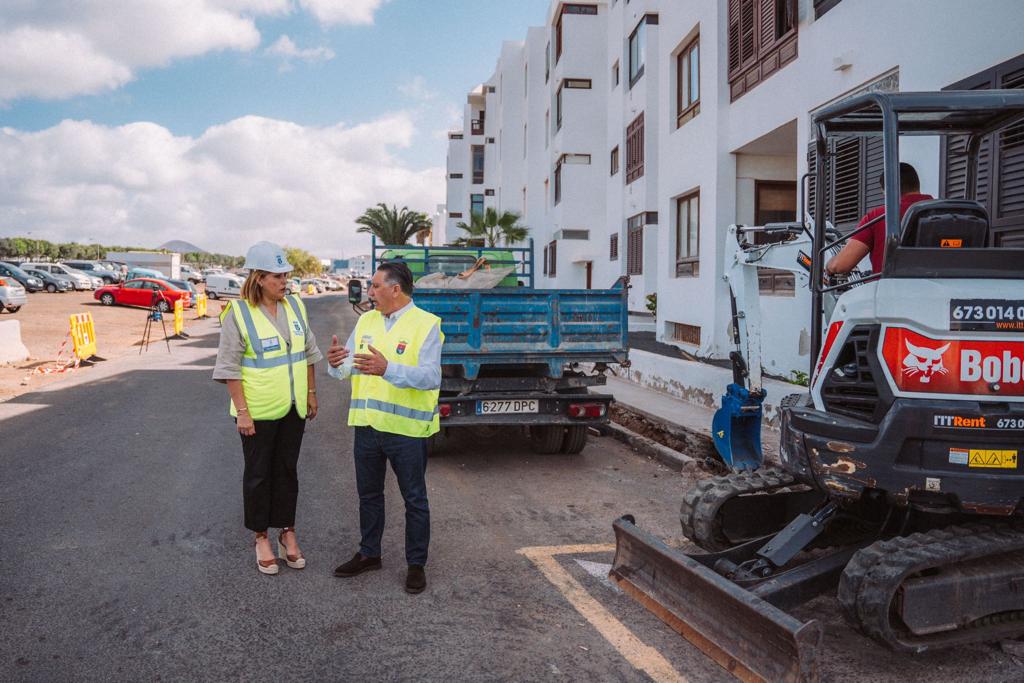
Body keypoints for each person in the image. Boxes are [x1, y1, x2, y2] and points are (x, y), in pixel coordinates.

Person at [327, 261, 443, 594]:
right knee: (369, 496)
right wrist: (337, 364)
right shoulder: (366, 320)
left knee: (414, 500)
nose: (370, 292)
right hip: (367, 427)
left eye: (375, 286)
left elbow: (431, 377)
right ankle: (369, 553)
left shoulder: (427, 324)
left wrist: (388, 368)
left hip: (406, 431)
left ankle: (416, 564)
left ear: (396, 289)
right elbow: (347, 367)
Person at [212, 241, 322, 575]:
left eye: (286, 274)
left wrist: (311, 393)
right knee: (259, 475)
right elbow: (229, 367)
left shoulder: (296, 307)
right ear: (259, 278)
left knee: (287, 471)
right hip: (257, 413)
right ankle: (261, 536)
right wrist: (242, 412)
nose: (284, 281)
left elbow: (307, 353)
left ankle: (287, 531)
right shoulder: (239, 314)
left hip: (293, 409)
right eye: (277, 276)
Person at [826, 162, 933, 276]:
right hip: (941, 292)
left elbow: (841, 265)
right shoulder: (945, 213)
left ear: (886, 190)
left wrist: (829, 265)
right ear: (916, 185)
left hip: (889, 291)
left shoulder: (878, 216)